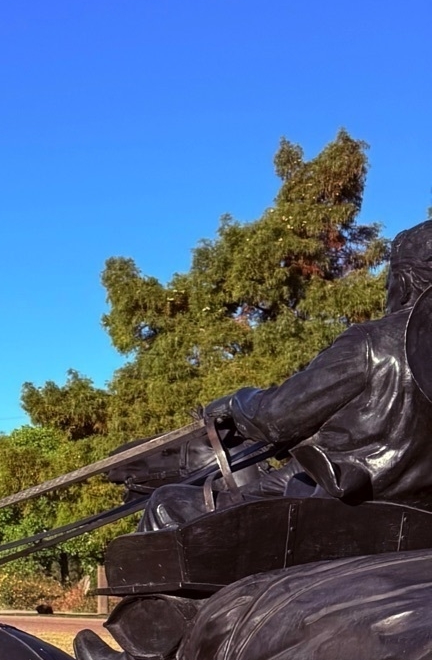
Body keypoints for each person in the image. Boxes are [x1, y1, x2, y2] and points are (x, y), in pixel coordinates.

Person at [141, 221, 432, 529]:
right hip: (416, 515)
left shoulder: (370, 343)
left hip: (342, 510)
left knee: (168, 503)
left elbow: (275, 418)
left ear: (403, 281)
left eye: (388, 280)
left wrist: (234, 403)